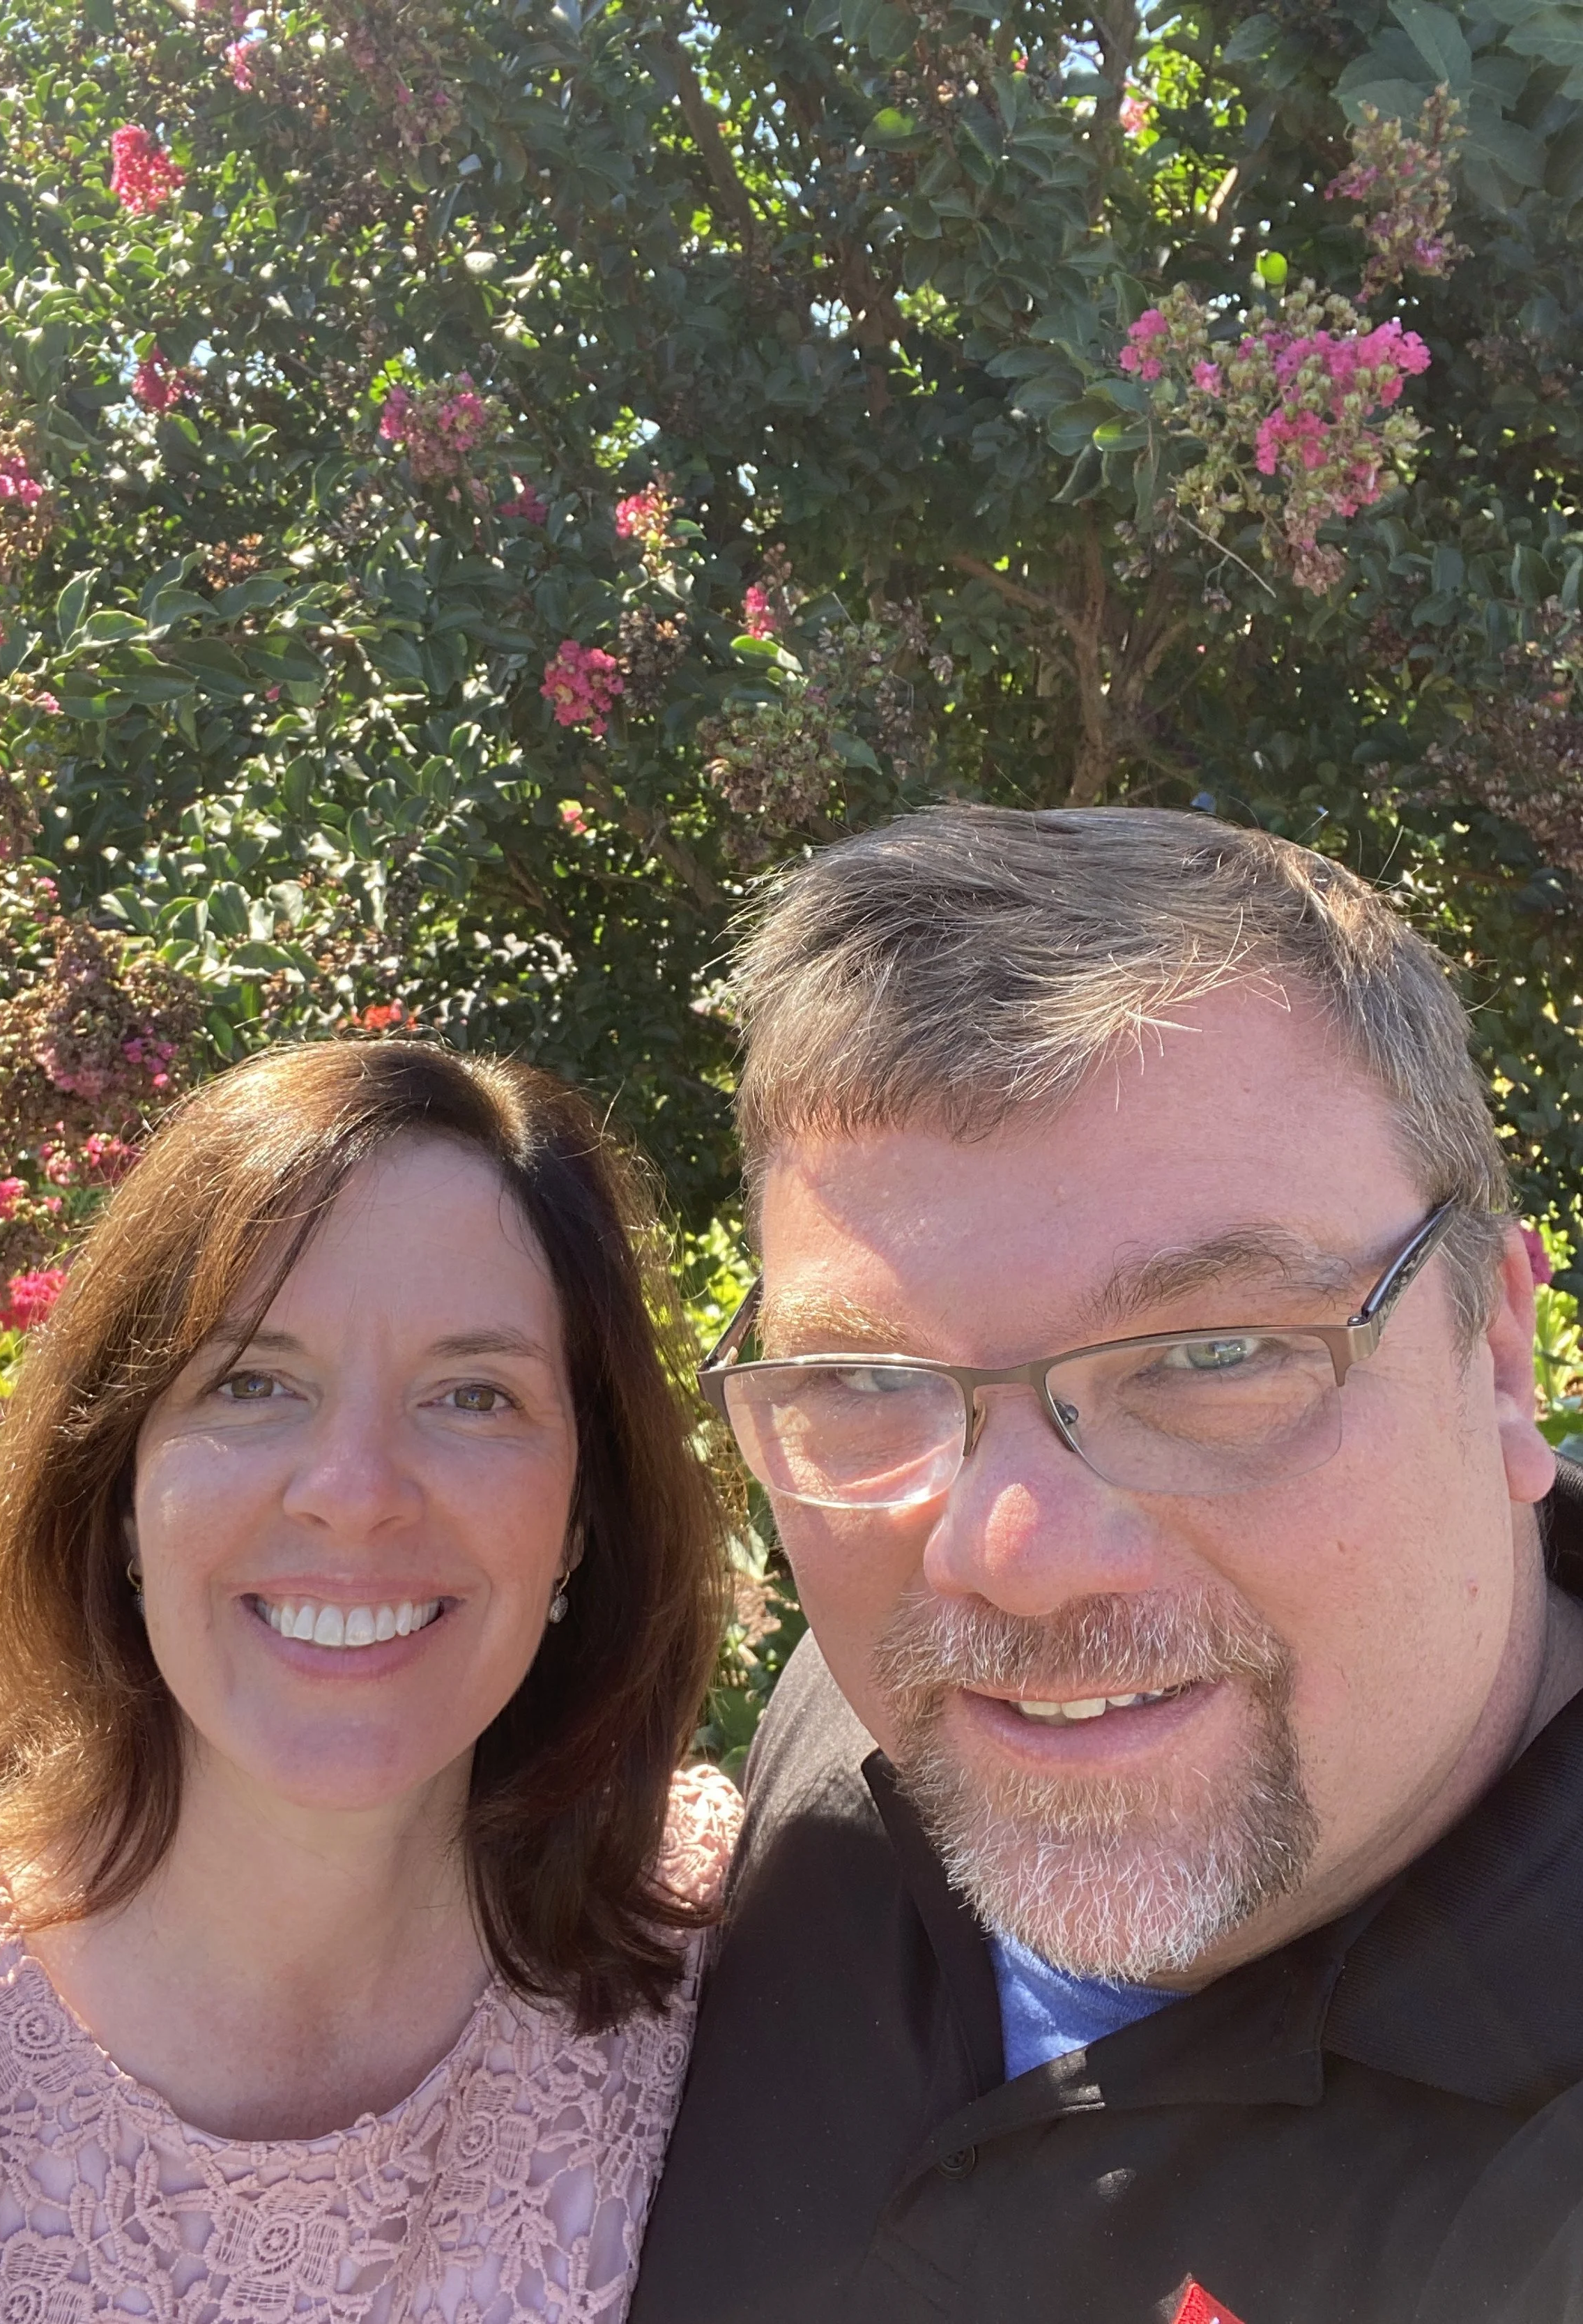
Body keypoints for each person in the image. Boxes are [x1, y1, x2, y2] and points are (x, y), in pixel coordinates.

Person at [628, 805, 1583, 2324]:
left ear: (1498, 1358)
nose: (1006, 1558)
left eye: (1211, 1354)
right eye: (867, 1378)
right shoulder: (855, 1703)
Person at [0, 1038, 738, 2323]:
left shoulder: (728, 1956)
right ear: (122, 1497)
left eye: (473, 1395)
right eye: (255, 1383)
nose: (355, 1494)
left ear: (581, 1518)